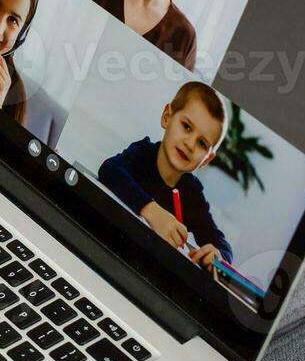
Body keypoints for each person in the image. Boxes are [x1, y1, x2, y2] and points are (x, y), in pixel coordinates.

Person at [98, 81, 233, 270]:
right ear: (167, 117)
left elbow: (220, 243)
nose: (190, 144)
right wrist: (153, 212)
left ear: (206, 160)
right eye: (186, 126)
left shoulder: (192, 192)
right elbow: (109, 170)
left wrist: (218, 256)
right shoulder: (143, 153)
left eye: (202, 143)